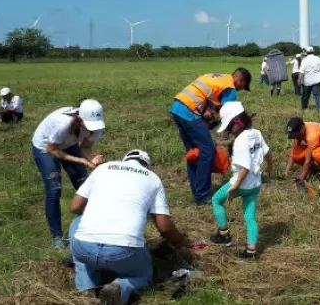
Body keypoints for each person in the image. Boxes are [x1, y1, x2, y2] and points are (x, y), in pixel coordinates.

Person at [68, 149, 196, 305]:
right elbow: (164, 227)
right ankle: (121, 287)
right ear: (147, 166)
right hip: (122, 251)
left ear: (124, 160)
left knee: (78, 222)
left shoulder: (103, 168)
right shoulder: (152, 178)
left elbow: (74, 207)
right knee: (144, 274)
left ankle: (86, 287)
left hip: (83, 247)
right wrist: (182, 242)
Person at [170, 68, 252, 205]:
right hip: (190, 112)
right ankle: (202, 195)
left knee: (194, 153)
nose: (239, 90)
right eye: (242, 87)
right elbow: (229, 113)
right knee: (208, 150)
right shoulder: (230, 87)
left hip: (177, 108)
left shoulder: (217, 77)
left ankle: (197, 193)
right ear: (240, 80)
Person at [32, 99, 107, 248]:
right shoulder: (62, 124)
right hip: (45, 147)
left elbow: (85, 148)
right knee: (54, 189)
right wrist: (81, 161)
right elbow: (52, 149)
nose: (92, 129)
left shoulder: (97, 127)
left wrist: (93, 158)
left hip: (69, 144)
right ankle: (57, 238)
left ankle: (94, 227)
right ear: (79, 119)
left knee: (85, 186)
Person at [207, 102, 273, 260]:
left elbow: (245, 167)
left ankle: (224, 235)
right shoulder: (256, 133)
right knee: (250, 216)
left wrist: (234, 188)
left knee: (216, 200)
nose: (229, 132)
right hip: (255, 184)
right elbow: (268, 152)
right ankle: (251, 251)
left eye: (229, 127)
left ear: (237, 122)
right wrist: (270, 168)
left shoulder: (240, 141)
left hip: (241, 183)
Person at [299, 46, 320, 110]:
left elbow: (301, 72)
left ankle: (304, 108)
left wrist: (299, 80)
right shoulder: (319, 59)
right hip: (317, 80)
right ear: (313, 51)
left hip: (307, 81)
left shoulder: (304, 60)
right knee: (317, 95)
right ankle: (319, 109)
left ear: (306, 52)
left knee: (305, 96)